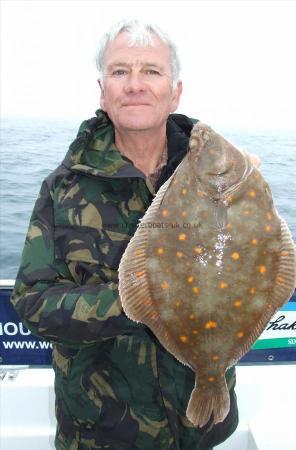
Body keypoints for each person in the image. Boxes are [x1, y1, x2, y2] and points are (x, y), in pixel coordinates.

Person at [11, 20, 239, 450]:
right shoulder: (62, 188)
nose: (135, 84)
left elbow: (258, 261)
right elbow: (33, 300)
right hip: (100, 431)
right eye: (120, 72)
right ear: (102, 91)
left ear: (175, 92)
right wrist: (137, 303)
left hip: (200, 426)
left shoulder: (223, 176)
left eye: (151, 71)